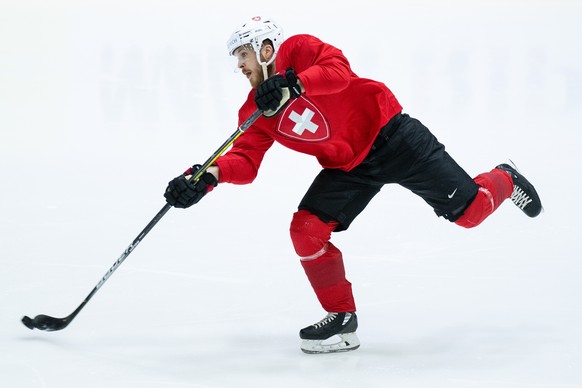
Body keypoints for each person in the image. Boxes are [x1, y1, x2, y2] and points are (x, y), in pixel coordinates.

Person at [164, 16, 543, 354]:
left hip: (393, 136)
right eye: (236, 59)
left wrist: (292, 84)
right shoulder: (254, 111)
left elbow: (338, 71)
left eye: (242, 55)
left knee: (471, 214)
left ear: (265, 49)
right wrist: (206, 177)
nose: (239, 66)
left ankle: (504, 178)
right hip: (350, 167)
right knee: (306, 231)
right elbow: (245, 161)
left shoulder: (299, 50)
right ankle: (342, 319)